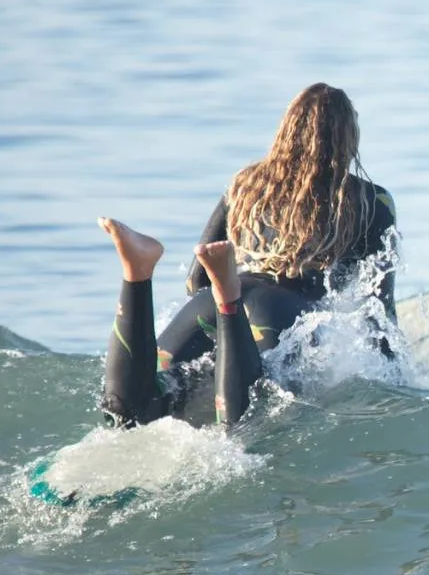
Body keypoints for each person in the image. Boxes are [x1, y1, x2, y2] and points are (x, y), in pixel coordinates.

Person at [97, 83, 398, 427]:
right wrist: (392, 380)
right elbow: (379, 310)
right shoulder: (370, 201)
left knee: (131, 414)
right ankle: (229, 300)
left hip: (208, 303)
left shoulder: (246, 183)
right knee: (245, 425)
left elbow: (196, 279)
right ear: (349, 137)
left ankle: (137, 275)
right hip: (279, 313)